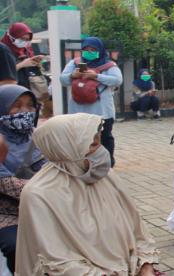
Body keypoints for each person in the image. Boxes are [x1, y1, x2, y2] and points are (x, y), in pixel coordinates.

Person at [15, 113, 163, 275]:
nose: (101, 150)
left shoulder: (106, 176)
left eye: (99, 142)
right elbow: (55, 261)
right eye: (92, 144)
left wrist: (145, 266)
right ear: (65, 148)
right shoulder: (39, 194)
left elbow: (138, 231)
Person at [0, 84, 44, 273]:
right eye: (16, 106)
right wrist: (52, 190)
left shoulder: (41, 136)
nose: (24, 111)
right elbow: (6, 183)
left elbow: (57, 167)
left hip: (42, 206)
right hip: (6, 212)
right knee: (16, 245)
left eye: (29, 106)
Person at [60, 37, 123, 167]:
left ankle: (107, 164)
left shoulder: (109, 65)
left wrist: (96, 76)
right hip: (78, 111)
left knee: (104, 138)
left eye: (93, 49)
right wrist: (73, 75)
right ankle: (83, 163)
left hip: (102, 111)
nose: (89, 52)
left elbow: (117, 80)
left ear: (100, 50)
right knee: (80, 139)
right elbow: (63, 80)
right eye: (86, 49)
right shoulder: (75, 63)